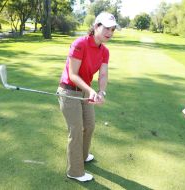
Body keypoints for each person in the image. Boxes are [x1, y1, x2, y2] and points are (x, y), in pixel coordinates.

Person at [57, 12, 119, 182]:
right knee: (76, 130)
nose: (110, 32)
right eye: (106, 28)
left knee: (90, 126)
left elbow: (104, 74)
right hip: (69, 90)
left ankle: (83, 156)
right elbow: (73, 74)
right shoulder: (80, 44)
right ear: (96, 26)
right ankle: (75, 171)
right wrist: (90, 91)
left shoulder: (104, 51)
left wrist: (101, 91)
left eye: (112, 29)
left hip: (85, 91)